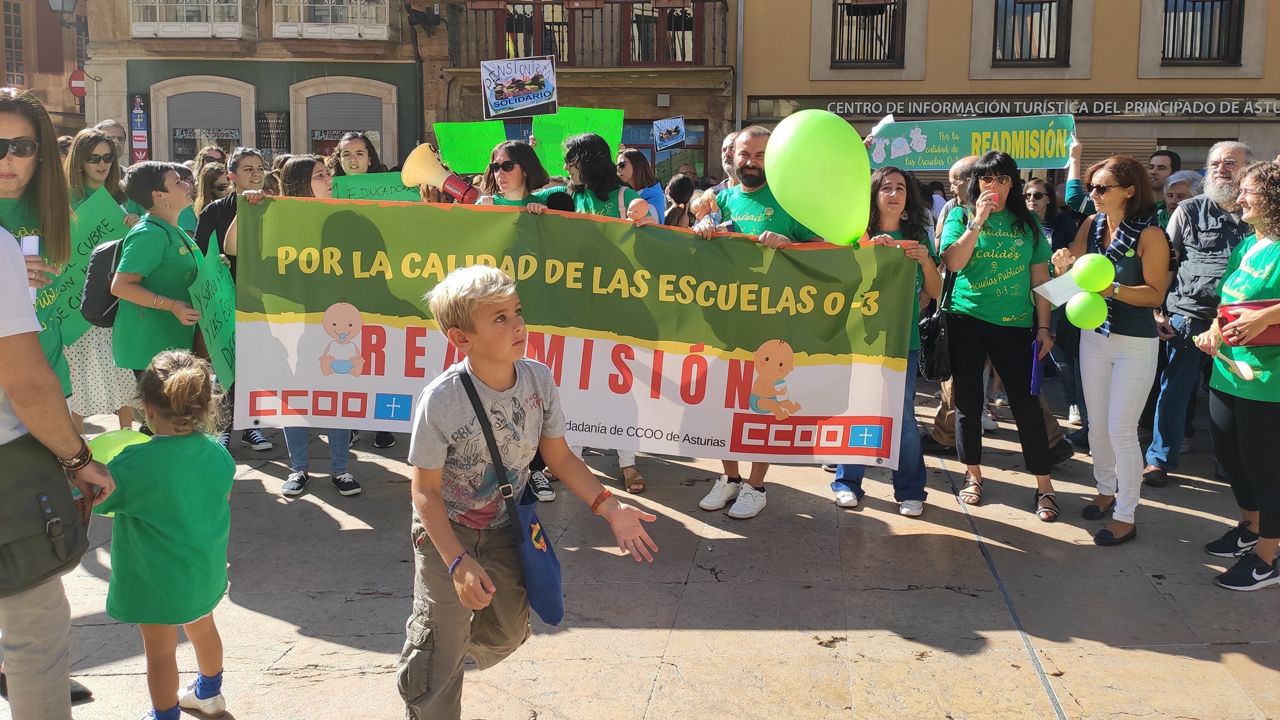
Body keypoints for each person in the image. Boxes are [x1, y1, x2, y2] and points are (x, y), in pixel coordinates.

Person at [396, 264, 659, 718]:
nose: (518, 324)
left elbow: (560, 458)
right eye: (499, 318)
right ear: (462, 338)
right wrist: (457, 563)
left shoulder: (538, 380)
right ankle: (433, 664)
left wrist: (609, 506)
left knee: (509, 630)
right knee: (440, 650)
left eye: (516, 311)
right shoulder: (441, 399)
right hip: (447, 533)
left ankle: (448, 644)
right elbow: (424, 494)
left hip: (506, 526)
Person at [0, 86, 114, 717]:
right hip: (10, 453)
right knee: (37, 634)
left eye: (23, 146)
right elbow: (25, 381)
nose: (9, 159)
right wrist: (77, 459)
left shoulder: (28, 231)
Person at [93, 350, 234, 718]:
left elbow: (101, 504)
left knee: (159, 651)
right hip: (203, 568)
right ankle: (209, 693)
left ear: (147, 408)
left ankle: (165, 714)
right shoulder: (218, 453)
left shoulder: (132, 464)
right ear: (203, 408)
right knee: (203, 627)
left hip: (155, 579)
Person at [692, 126, 818, 519]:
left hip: (772, 324)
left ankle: (756, 484)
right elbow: (694, 244)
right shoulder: (722, 199)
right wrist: (700, 230)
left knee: (762, 405)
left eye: (761, 155)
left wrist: (790, 244)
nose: (751, 162)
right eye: (746, 154)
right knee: (722, 404)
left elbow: (826, 252)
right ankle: (729, 478)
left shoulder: (793, 201)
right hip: (724, 323)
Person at [1053, 156, 1171, 546]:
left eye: (1102, 188)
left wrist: (1112, 290)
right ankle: (1105, 489)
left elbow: (1156, 293)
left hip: (1134, 343)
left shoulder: (1150, 235)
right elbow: (1073, 275)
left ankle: (1126, 514)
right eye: (1092, 187)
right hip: (1095, 336)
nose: (1094, 194)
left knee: (1121, 429)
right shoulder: (1093, 224)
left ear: (1130, 190)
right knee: (1097, 425)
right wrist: (1062, 268)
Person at [940, 151, 1061, 521]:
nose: (995, 187)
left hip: (1015, 326)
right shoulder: (961, 216)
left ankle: (1044, 487)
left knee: (1026, 406)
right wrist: (978, 220)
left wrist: (1043, 328)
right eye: (987, 179)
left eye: (1003, 179)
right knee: (969, 403)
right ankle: (972, 475)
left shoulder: (1028, 227)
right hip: (966, 320)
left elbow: (1041, 281)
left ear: (1014, 184)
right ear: (976, 184)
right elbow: (953, 262)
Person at [229, 155, 360, 496]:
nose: (330, 179)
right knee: (293, 397)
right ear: (302, 182)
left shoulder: (345, 217)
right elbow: (232, 246)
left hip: (335, 322)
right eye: (320, 175)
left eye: (328, 172)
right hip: (289, 324)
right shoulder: (276, 214)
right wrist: (248, 208)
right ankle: (299, 468)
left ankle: (340, 469)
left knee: (338, 395)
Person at [831, 167, 941, 516]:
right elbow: (838, 279)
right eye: (886, 188)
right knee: (858, 409)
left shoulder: (918, 239)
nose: (893, 194)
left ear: (908, 199)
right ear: (875, 195)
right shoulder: (856, 234)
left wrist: (925, 263)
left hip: (901, 340)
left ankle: (910, 490)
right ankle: (847, 482)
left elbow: (936, 292)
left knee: (904, 415)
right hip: (858, 340)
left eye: (900, 189)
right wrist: (866, 249)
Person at [1143, 141, 1253, 488]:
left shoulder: (1261, 214)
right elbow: (1167, 264)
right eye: (1215, 162)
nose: (1221, 168)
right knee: (1175, 388)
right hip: (1189, 315)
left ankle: (1230, 462)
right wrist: (1158, 311)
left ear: (1248, 169)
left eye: (1231, 163)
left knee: (1235, 394)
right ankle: (1160, 460)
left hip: (1242, 322)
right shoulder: (1189, 209)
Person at [1193, 160, 1280, 591]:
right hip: (1229, 370)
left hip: (1270, 378)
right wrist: (1212, 331)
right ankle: (1250, 526)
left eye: (1250, 192)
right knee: (1230, 456)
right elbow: (1225, 301)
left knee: (1266, 466)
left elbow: (1263, 312)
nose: (1240, 198)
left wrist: (1266, 316)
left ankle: (1269, 555)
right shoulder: (1248, 244)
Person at [62, 128, 141, 435]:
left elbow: (135, 249)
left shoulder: (119, 197)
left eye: (108, 157)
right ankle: (75, 446)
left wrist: (135, 226)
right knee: (75, 371)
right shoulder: (64, 197)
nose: (101, 163)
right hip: (71, 299)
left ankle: (125, 437)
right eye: (93, 157)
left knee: (118, 368)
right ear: (79, 159)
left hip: (110, 298)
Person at [0, 89, 73, 400]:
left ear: (41, 153)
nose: (7, 158)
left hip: (52, 378)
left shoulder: (53, 208)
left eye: (22, 147)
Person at [111, 162, 202, 389]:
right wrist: (172, 305)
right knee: (165, 418)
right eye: (178, 182)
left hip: (173, 340)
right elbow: (121, 286)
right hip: (151, 346)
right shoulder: (149, 234)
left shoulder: (173, 229)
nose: (187, 185)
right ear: (158, 195)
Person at [475, 141, 551, 208]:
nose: (499, 173)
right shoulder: (484, 205)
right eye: (495, 167)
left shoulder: (542, 207)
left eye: (507, 165)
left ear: (525, 169)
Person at [616, 148, 664, 221]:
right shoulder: (633, 193)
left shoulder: (651, 198)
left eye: (622, 165)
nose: (618, 169)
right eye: (616, 166)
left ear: (637, 165)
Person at [1148, 150, 1181, 227]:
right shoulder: (1136, 203)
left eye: (1161, 168)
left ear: (1174, 174)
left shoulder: (1177, 206)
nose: (1153, 171)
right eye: (1151, 167)